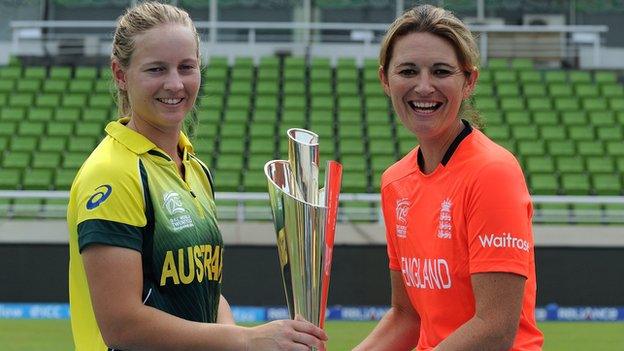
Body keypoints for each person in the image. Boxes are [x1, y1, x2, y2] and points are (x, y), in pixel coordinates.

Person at [67, 2, 327, 350]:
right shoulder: (113, 172)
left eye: (186, 67)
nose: (175, 84)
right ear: (119, 73)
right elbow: (122, 325)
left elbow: (206, 293)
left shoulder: (195, 169)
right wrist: (246, 340)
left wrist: (246, 340)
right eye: (157, 69)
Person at [354, 4, 543, 351]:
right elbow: (406, 316)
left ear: (468, 80)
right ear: (385, 79)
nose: (423, 87)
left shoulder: (492, 172)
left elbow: (495, 328)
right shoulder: (395, 181)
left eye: (441, 71)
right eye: (408, 71)